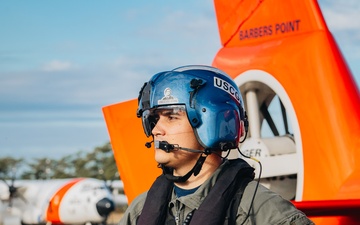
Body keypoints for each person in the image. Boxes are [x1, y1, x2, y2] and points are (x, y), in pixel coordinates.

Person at [119, 65, 314, 225]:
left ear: (211, 122)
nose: (156, 131)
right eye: (154, 119)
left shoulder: (260, 210)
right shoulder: (140, 210)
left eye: (171, 117)